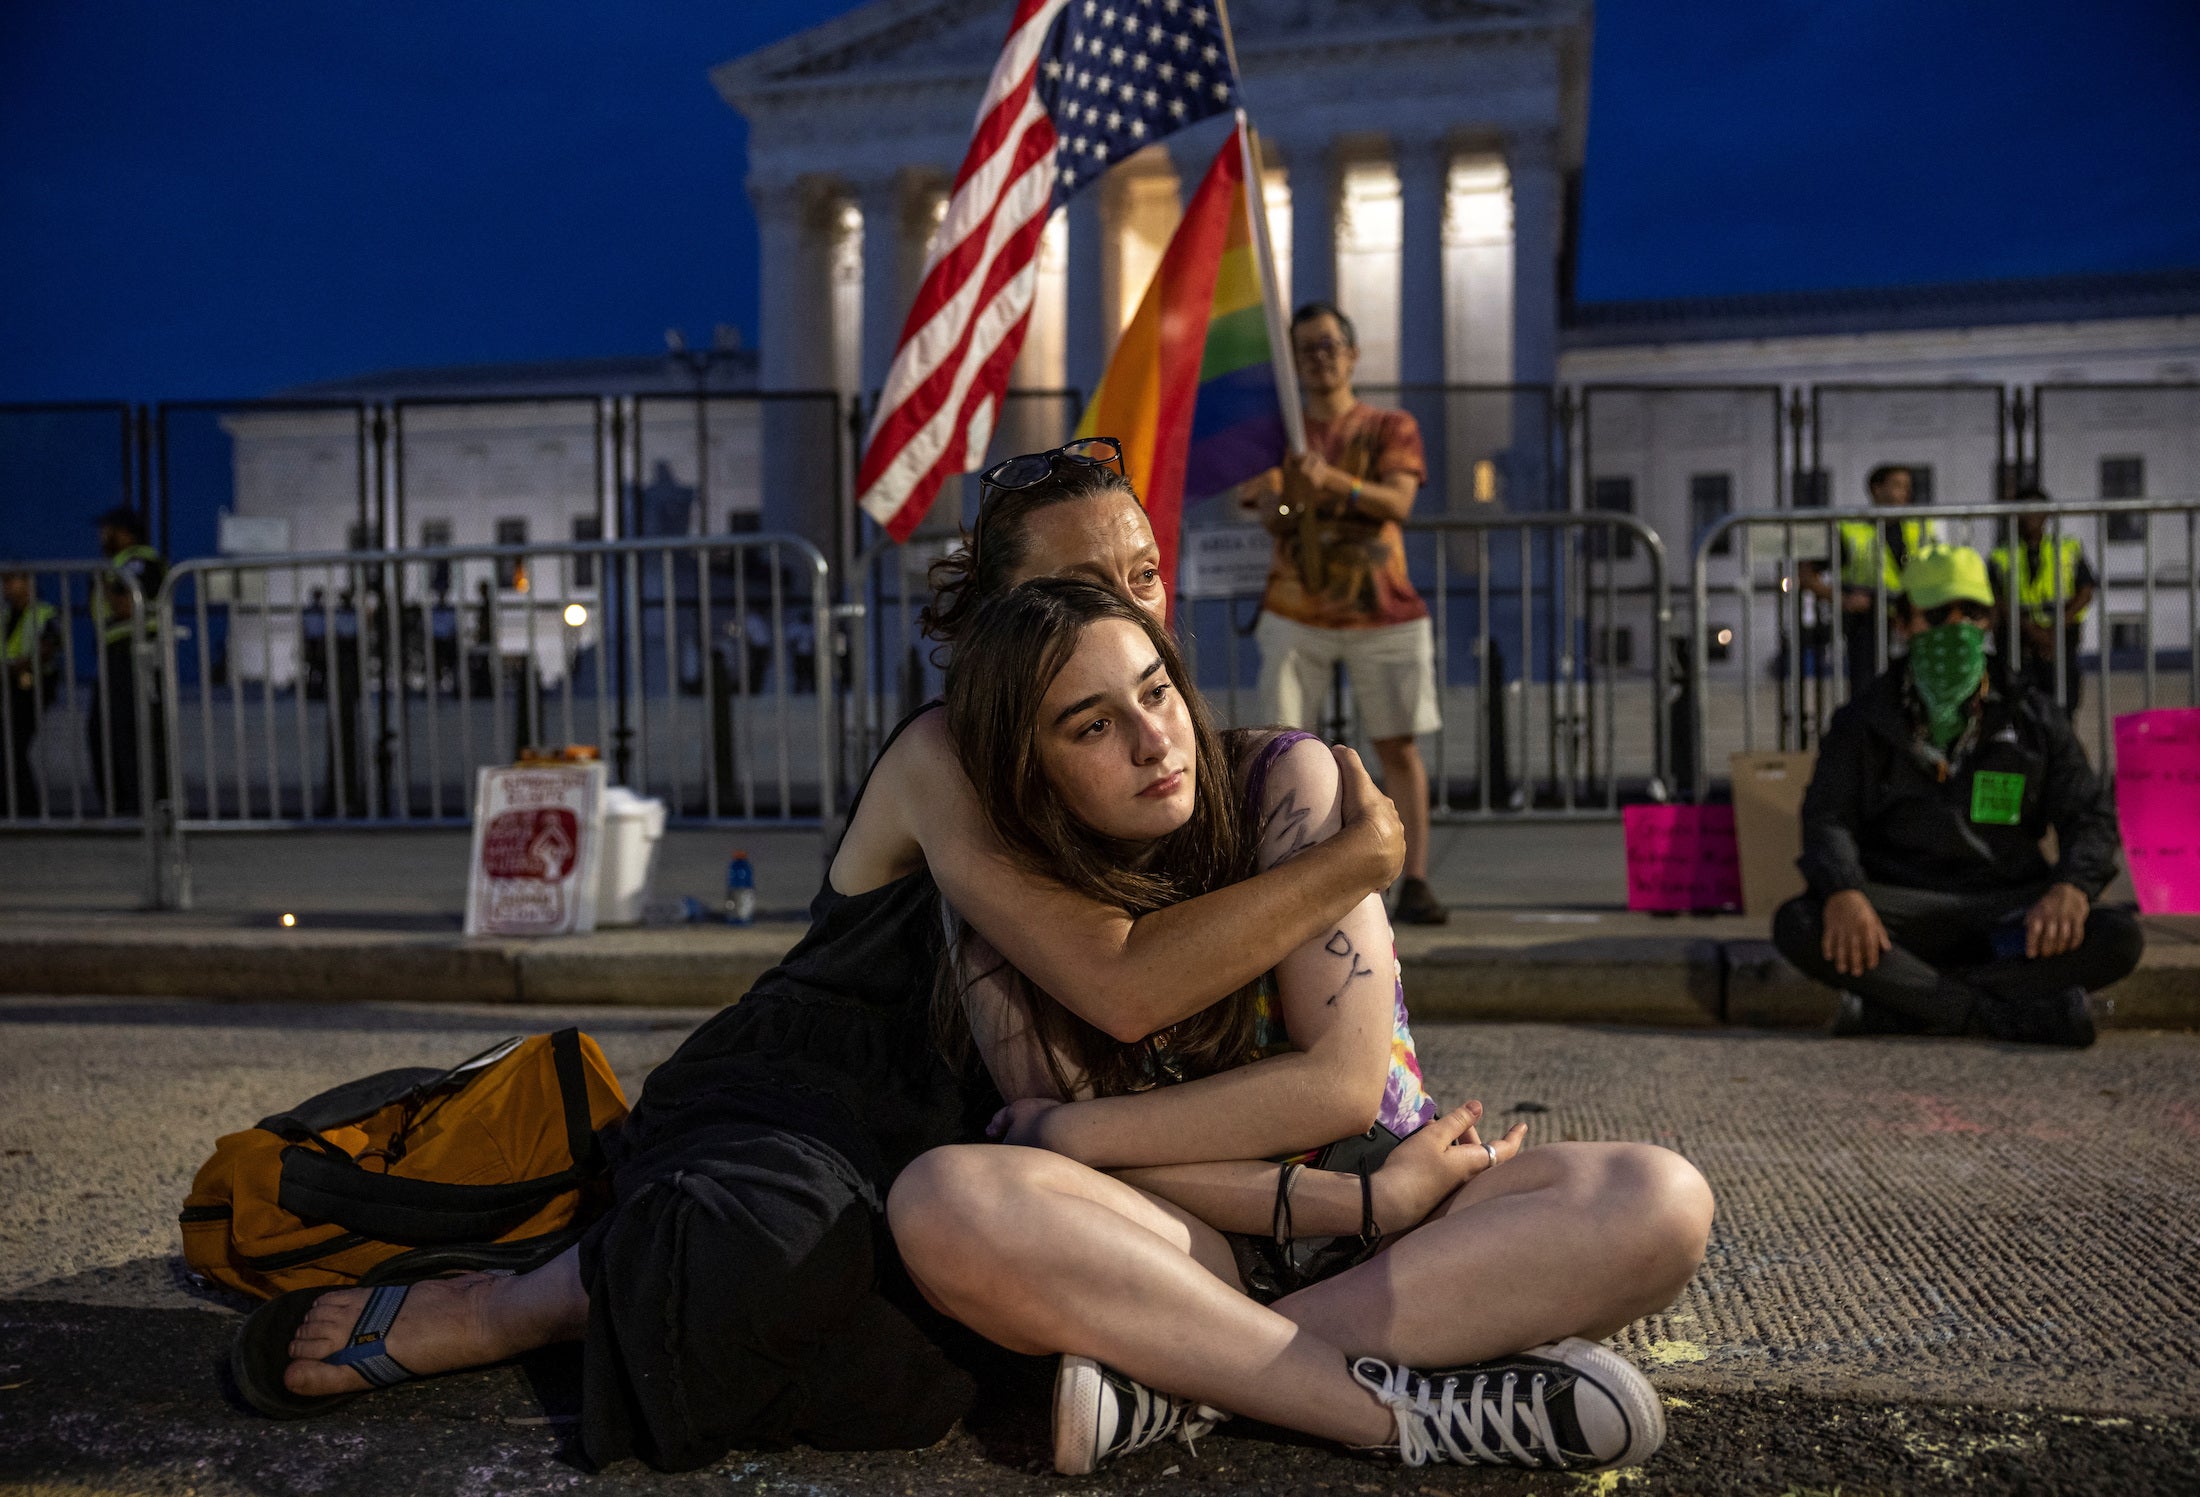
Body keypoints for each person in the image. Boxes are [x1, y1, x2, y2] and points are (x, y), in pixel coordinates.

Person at [247, 441, 1411, 1472]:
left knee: (961, 1341)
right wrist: (1359, 856)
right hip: (817, 1094)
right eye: (1075, 587)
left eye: (1142, 573)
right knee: (777, 1251)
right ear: (991, 618)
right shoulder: (946, 752)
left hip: (978, 1131)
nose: (1131, 609)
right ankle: (518, 1304)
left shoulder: (1171, 751)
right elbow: (1120, 983)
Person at [890, 578, 1715, 1475]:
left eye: (1156, 692)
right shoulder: (1010, 920)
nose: (1152, 739)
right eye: (1091, 726)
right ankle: (1398, 1415)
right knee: (944, 1202)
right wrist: (1357, 1200)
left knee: (1658, 1200)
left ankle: (1183, 1382)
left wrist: (1076, 1129)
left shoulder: (1284, 781)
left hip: (1411, 1223)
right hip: (1193, 1246)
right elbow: (1096, 1177)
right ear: (1028, 768)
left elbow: (1338, 1088)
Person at [1772, 546, 2143, 1045]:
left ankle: (1905, 1007)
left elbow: (2089, 815)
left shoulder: (2030, 713)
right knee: (1800, 923)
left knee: (2117, 938)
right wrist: (1844, 890)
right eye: (1938, 614)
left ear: (1990, 621)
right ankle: (2010, 1013)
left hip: (2007, 904)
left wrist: (2072, 887)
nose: (1957, 628)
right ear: (1903, 622)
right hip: (1901, 908)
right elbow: (1828, 817)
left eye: (1972, 613)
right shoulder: (1865, 719)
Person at [1236, 302, 1449, 926]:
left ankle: (1415, 878)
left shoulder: (1389, 425)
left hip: (1380, 610)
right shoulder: (1281, 438)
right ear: (1295, 363)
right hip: (1295, 609)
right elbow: (1268, 517)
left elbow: (1399, 503)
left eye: (1330, 346)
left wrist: (1331, 483)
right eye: (1307, 350)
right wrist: (1292, 496)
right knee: (1281, 743)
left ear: (1352, 355)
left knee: (1397, 746)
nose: (1320, 358)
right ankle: (1288, 875)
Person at [1802, 465, 1936, 698]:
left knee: (1914, 691)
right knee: (1868, 693)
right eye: (1897, 485)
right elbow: (1806, 575)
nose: (1904, 492)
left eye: (1907, 487)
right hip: (1867, 624)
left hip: (1912, 622)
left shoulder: (1920, 527)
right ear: (1876, 489)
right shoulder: (1851, 530)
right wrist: (1844, 600)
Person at [88, 506, 168, 817]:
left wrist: (103, 584)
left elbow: (126, 608)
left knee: (131, 731)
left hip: (134, 654)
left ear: (124, 532)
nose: (102, 535)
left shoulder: (139, 561)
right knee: (106, 731)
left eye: (107, 529)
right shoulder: (119, 564)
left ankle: (138, 808)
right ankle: (121, 807)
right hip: (118, 655)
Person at [1989, 485, 2095, 718]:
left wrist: (2056, 629)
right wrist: (2031, 632)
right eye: (2024, 511)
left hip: (2060, 641)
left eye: (2037, 510)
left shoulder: (2068, 548)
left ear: (2048, 514)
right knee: (2018, 709)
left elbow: (2086, 590)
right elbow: (1996, 599)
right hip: (2019, 643)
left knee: (2063, 708)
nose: (2031, 517)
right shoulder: (2001, 555)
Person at [2, 569, 61, 818]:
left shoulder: (44, 613)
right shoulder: (5, 615)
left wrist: (18, 666)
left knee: (14, 747)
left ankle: (26, 811)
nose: (6, 587)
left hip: (31, 687)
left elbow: (47, 647)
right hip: (7, 687)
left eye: (10, 580)